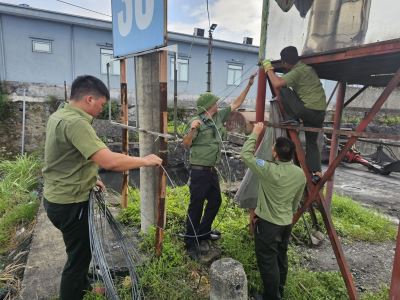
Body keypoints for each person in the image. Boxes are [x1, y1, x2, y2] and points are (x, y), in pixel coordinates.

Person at [42, 75, 162, 300]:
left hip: (56, 198)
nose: (101, 109)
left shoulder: (59, 114)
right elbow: (109, 161)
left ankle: (85, 286)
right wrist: (145, 161)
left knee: (78, 250)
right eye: (101, 104)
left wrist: (90, 178)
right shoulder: (77, 123)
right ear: (89, 99)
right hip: (70, 204)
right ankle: (71, 294)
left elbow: (67, 157)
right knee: (78, 259)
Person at [182, 74, 255, 258]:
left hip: (211, 171)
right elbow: (186, 143)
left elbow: (236, 104)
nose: (218, 104)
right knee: (196, 206)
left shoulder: (218, 117)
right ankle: (190, 242)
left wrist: (249, 85)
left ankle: (203, 233)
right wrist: (192, 129)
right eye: (215, 102)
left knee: (216, 201)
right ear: (208, 106)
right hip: (199, 171)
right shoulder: (196, 122)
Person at [241, 122, 306, 300]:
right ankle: (279, 291)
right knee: (280, 258)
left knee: (268, 262)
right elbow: (296, 200)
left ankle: (271, 297)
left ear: (275, 153)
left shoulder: (268, 169)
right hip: (286, 223)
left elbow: (246, 155)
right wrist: (289, 212)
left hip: (268, 225)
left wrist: (255, 132)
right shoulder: (300, 173)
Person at [263, 46, 327, 183]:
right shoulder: (308, 69)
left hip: (307, 111)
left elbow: (277, 83)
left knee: (284, 88)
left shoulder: (297, 71)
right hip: (320, 113)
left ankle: (293, 119)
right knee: (311, 142)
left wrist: (268, 67)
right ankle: (316, 172)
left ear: (285, 63)